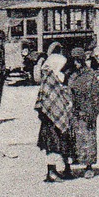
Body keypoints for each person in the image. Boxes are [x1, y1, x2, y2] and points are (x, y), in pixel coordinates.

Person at [35, 50, 76, 181]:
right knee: (51, 145)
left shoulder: (56, 77)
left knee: (59, 144)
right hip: (50, 120)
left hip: (54, 118)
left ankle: (60, 170)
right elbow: (48, 101)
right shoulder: (49, 79)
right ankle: (51, 172)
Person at [66, 46, 99, 176]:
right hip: (73, 113)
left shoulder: (90, 76)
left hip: (87, 112)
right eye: (74, 61)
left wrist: (91, 113)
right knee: (71, 140)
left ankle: (89, 167)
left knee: (88, 140)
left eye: (78, 61)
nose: (76, 64)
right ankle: (68, 167)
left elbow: (98, 96)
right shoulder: (71, 75)